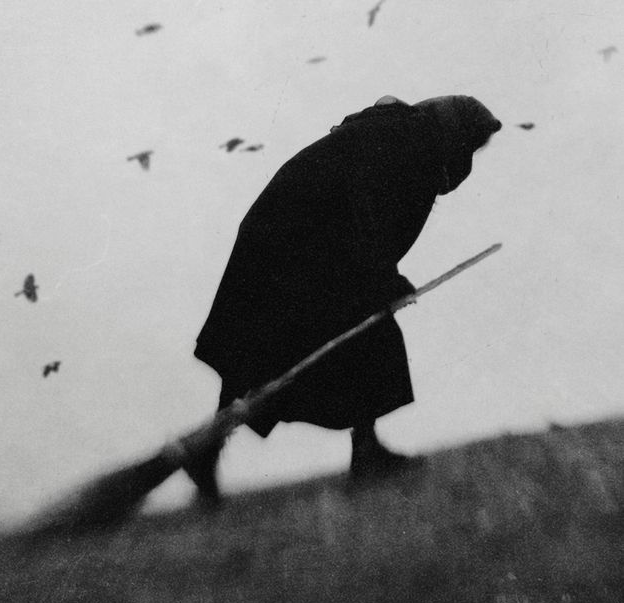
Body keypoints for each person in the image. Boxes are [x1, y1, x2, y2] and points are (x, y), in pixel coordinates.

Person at [190, 94, 501, 503]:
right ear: (455, 134)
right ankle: (359, 451)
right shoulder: (403, 141)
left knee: (282, 346)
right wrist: (384, 278)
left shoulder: (407, 136)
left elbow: (370, 217)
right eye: (470, 144)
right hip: (289, 242)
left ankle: (209, 451)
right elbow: (365, 208)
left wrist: (381, 276)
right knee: (292, 342)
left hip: (293, 238)